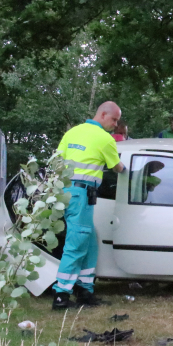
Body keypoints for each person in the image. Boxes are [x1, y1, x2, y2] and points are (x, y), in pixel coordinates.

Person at [53, 101, 126, 310]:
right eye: (114, 119)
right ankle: (61, 295)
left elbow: (57, 163)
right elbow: (117, 167)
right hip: (82, 194)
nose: (116, 124)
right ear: (103, 114)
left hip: (66, 193)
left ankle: (85, 290)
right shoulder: (105, 139)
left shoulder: (72, 133)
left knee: (90, 241)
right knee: (76, 243)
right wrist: (130, 170)